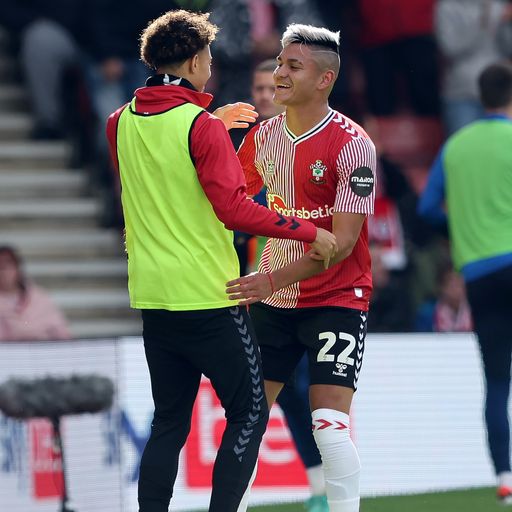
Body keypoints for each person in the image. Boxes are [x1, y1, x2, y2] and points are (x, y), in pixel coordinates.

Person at [105, 10, 337, 512]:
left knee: (169, 422)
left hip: (154, 296)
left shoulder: (119, 122)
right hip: (211, 295)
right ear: (193, 61)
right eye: (208, 57)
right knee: (251, 412)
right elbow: (232, 207)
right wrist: (309, 230)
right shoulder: (199, 126)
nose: (211, 65)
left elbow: (162, 187)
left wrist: (214, 123)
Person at [227, 24, 377, 512]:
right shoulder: (261, 138)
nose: (279, 74)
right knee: (247, 418)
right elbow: (224, 201)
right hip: (274, 300)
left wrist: (267, 279)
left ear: (325, 79)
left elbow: (341, 243)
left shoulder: (354, 145)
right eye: (279, 63)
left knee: (328, 428)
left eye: (293, 66)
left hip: (336, 297)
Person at [418, 61, 512, 504]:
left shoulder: (455, 146)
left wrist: (464, 227)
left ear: (480, 96)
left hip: (478, 272)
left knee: (496, 381)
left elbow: (428, 209)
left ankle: (505, 475)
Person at [435, 0, 512, 135]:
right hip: (463, 93)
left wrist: (507, 24)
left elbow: (508, 48)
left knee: (501, 149)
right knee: (464, 149)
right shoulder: (447, 6)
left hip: (499, 93)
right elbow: (450, 47)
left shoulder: (497, 4)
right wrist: (489, 19)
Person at [0, 246, 71, 341]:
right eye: (0, 266)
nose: (3, 271)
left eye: (7, 265)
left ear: (18, 269)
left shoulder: (39, 297)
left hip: (42, 351)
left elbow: (60, 331)